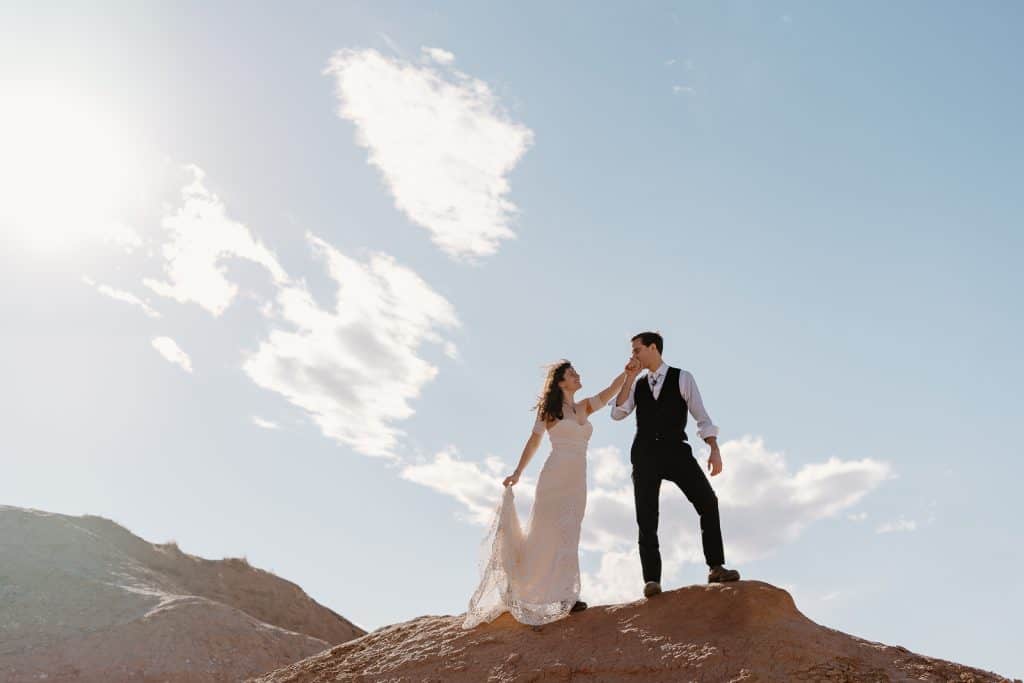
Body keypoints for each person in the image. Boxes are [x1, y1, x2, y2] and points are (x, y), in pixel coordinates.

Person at [463, 360, 630, 628]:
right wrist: (517, 472)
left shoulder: (584, 406)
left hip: (577, 480)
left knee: (570, 532)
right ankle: (545, 593)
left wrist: (629, 371)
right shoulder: (550, 411)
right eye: (572, 374)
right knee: (546, 533)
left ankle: (566, 595)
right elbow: (534, 440)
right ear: (561, 381)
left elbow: (611, 390)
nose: (578, 376)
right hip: (553, 478)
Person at [611, 331, 740, 598]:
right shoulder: (637, 383)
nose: (632, 355)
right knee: (646, 518)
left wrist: (714, 449)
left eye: (637, 350)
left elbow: (701, 417)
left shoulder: (683, 377)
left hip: (676, 451)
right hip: (645, 454)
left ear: (653, 348)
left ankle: (716, 567)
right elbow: (617, 413)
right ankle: (652, 581)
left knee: (708, 502)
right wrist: (630, 377)